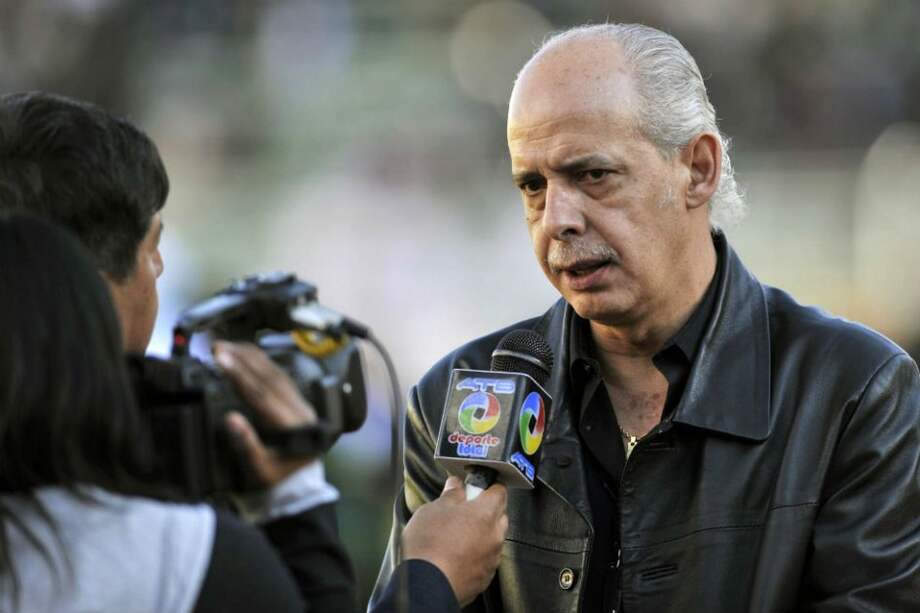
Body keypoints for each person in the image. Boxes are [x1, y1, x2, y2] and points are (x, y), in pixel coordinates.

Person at [373, 23, 920, 612]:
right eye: (533, 185)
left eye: (592, 175)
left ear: (699, 169)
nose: (558, 219)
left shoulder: (855, 391)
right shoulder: (456, 398)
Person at [0, 91, 507, 612]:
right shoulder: (177, 559)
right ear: (76, 279)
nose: (159, 269)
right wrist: (428, 575)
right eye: (152, 247)